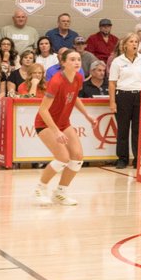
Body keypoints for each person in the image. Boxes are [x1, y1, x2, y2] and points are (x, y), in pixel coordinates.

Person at [32, 48, 98, 206]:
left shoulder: (78, 77)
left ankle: (60, 192)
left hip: (64, 123)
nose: (77, 62)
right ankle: (40, 189)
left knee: (77, 157)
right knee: (62, 158)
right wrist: (56, 132)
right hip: (45, 123)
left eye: (78, 59)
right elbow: (43, 110)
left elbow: (74, 98)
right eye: (72, 60)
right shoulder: (56, 81)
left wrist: (87, 115)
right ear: (63, 62)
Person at [108, 33, 141, 169]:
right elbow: (112, 83)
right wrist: (112, 102)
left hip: (139, 95)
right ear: (125, 45)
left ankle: (138, 158)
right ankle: (122, 159)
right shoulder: (117, 61)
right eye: (131, 42)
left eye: (136, 42)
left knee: (138, 129)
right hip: (123, 96)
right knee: (123, 129)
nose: (134, 44)